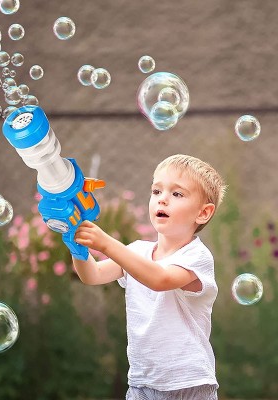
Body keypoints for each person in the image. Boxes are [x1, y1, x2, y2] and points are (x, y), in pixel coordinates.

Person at [73, 154, 227, 400]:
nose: (162, 199)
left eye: (177, 194)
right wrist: (75, 239)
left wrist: (105, 243)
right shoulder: (137, 252)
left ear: (203, 213)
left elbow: (160, 280)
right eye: (156, 191)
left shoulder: (197, 257)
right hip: (142, 383)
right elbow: (92, 274)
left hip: (188, 383)